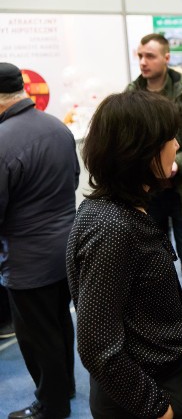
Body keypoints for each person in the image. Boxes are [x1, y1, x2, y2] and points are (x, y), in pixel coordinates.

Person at [66, 90, 182, 418]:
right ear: (143, 151)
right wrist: (157, 408)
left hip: (153, 376)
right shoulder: (112, 227)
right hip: (142, 393)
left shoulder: (121, 210)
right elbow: (96, 344)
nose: (177, 145)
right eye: (170, 138)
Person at [127, 33, 182, 350]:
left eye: (150, 56)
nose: (143, 62)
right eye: (140, 55)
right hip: (148, 195)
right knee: (155, 263)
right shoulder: (132, 94)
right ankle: (166, 322)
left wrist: (176, 163)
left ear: (166, 58)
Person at [0, 62, 78, 419]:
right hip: (67, 247)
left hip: (26, 258)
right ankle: (66, 386)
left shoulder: (3, 141)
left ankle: (51, 405)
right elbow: (74, 180)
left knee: (35, 336)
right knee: (60, 321)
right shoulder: (57, 127)